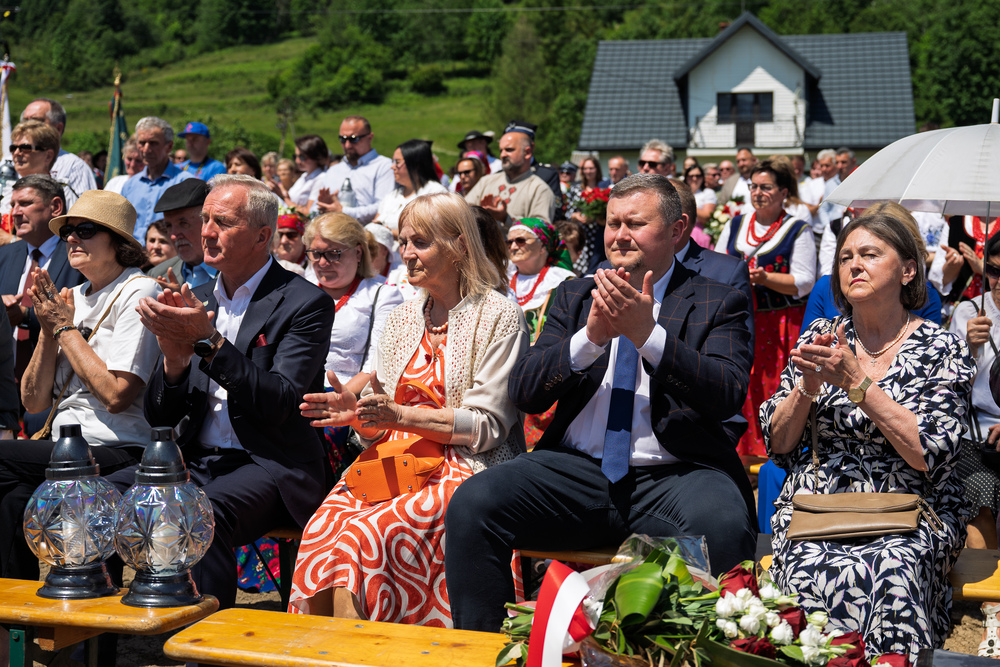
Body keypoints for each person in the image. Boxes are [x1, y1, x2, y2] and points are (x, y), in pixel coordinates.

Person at [445, 174, 756, 632]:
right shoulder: (574, 294)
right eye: (613, 223)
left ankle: (713, 654)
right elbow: (525, 393)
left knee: (726, 524)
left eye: (635, 223)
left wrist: (648, 336)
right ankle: (483, 652)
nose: (620, 235)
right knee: (473, 502)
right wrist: (589, 339)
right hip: (578, 471)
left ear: (677, 230)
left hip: (677, 473)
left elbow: (726, 391)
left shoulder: (716, 298)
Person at [289, 192, 528, 625]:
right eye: (402, 242)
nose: (406, 254)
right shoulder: (403, 318)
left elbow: (488, 426)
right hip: (393, 460)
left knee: (365, 538)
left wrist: (399, 416)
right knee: (320, 532)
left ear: (458, 245)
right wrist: (358, 416)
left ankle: (387, 650)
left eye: (420, 242)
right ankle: (326, 652)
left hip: (465, 465)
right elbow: (378, 420)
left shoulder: (499, 315)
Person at [109, 174, 334, 611]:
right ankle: (87, 642)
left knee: (201, 514)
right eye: (205, 219)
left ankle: (205, 649)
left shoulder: (305, 303)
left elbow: (281, 403)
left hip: (270, 461)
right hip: (197, 458)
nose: (206, 231)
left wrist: (209, 342)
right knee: (97, 494)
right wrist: (174, 360)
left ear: (263, 236)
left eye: (223, 222)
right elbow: (160, 418)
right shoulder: (198, 298)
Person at [761, 212, 974, 661]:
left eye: (870, 254)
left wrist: (858, 383)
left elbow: (928, 453)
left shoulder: (942, 347)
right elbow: (777, 443)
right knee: (805, 569)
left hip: (911, 511)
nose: (854, 265)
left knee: (892, 567)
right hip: (818, 509)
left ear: (908, 269)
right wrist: (807, 388)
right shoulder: (820, 335)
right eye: (845, 257)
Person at [0, 190, 162, 580]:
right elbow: (34, 401)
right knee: (9, 500)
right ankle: (15, 626)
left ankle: (79, 623)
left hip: (119, 446)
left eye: (85, 230)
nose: (71, 238)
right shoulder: (72, 297)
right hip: (64, 444)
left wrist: (65, 327)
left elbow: (116, 396)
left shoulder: (138, 290)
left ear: (120, 244)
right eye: (69, 230)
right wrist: (47, 331)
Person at [716, 158, 816, 456]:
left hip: (780, 322)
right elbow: (719, 264)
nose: (758, 193)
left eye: (766, 187)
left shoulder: (798, 229)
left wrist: (765, 278)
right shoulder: (735, 224)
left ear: (784, 191)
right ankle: (744, 455)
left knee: (776, 385)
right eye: (754, 186)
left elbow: (805, 281)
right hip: (739, 320)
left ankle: (777, 452)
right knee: (745, 384)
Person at [304, 213, 404, 463]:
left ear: (358, 253)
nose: (323, 262)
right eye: (315, 253)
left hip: (351, 400)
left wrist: (334, 399)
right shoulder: (299, 291)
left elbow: (376, 365)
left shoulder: (382, 295)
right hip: (300, 396)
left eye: (334, 253)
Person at [949, 232, 1000, 656]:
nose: (999, 281)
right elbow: (948, 386)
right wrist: (967, 346)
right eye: (994, 271)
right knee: (981, 489)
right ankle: (990, 598)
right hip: (975, 430)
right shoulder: (969, 310)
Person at [0, 176, 82, 386]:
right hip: (7, 387)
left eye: (25, 203)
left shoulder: (79, 255)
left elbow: (84, 318)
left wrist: (26, 316)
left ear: (55, 207)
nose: (15, 212)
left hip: (59, 386)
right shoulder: (5, 255)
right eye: (13, 205)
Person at [464, 123, 556, 228]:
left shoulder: (540, 190)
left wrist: (505, 218)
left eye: (509, 150)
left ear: (527, 152)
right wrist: (480, 213)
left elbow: (540, 231)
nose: (503, 155)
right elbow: (463, 211)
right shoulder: (486, 182)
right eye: (501, 150)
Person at [120, 116, 195, 244]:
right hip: (133, 258)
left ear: (169, 146)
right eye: (142, 143)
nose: (146, 149)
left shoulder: (185, 183)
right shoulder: (130, 186)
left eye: (153, 143)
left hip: (170, 259)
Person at [311, 116, 394, 223]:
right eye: (342, 139)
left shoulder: (384, 166)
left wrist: (343, 212)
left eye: (354, 139)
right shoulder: (334, 170)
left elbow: (383, 206)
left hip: (365, 234)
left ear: (370, 137)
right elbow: (313, 209)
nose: (347, 145)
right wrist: (323, 207)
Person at [507, 218, 575, 342]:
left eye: (520, 241)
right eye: (509, 242)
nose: (513, 247)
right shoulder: (501, 279)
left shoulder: (562, 281)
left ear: (542, 247)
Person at [20, 98, 98, 206]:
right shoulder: (7, 162)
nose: (27, 127)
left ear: (58, 128)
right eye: (24, 121)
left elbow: (84, 216)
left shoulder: (75, 167)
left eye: (35, 121)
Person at [147, 179, 217, 290]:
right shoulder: (158, 275)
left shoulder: (235, 274)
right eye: (169, 226)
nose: (174, 236)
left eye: (183, 224)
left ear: (208, 222)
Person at [375, 139, 448, 232]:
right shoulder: (391, 196)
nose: (392, 167)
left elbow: (434, 232)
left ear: (416, 164)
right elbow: (375, 223)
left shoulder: (436, 193)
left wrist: (388, 232)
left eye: (397, 162)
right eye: (392, 162)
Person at [273, 135, 327, 213]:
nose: (297, 161)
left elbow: (309, 213)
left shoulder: (321, 178)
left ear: (316, 156)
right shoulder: (305, 175)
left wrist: (285, 199)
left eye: (302, 157)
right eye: (295, 156)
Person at [683, 163, 716, 246]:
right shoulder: (681, 193)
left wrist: (686, 204)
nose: (694, 179)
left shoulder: (708, 193)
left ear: (703, 178)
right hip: (682, 231)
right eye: (691, 176)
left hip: (700, 233)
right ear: (686, 177)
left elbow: (706, 217)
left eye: (698, 176)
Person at [565, 156, 604, 222]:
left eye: (591, 168)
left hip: (598, 229)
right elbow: (567, 213)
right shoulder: (575, 189)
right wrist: (575, 215)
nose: (588, 171)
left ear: (597, 169)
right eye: (585, 169)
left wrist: (595, 217)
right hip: (579, 228)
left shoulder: (603, 189)